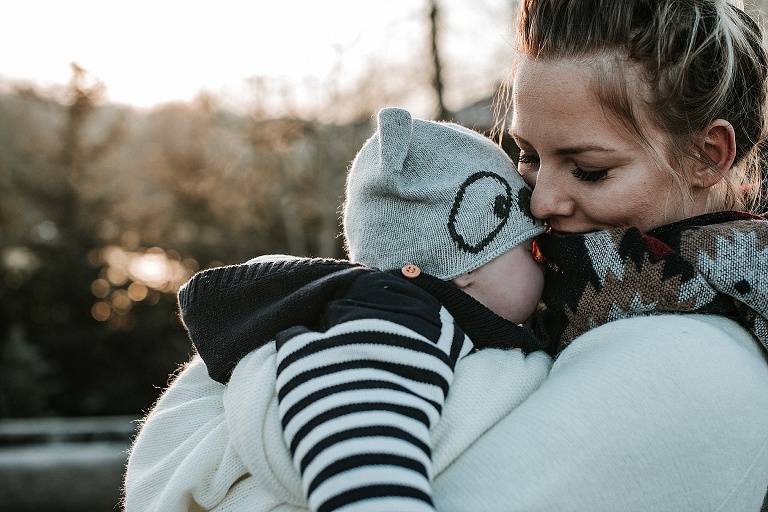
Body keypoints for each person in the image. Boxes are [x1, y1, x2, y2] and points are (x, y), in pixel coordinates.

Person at [125, 0, 768, 510]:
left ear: (706, 156)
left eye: (590, 170)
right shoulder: (548, 303)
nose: (540, 200)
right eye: (527, 156)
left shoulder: (690, 357)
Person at [124, 107, 552, 512]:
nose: (547, 261)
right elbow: (355, 427)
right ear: (467, 265)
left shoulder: (424, 315)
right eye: (532, 248)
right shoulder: (401, 315)